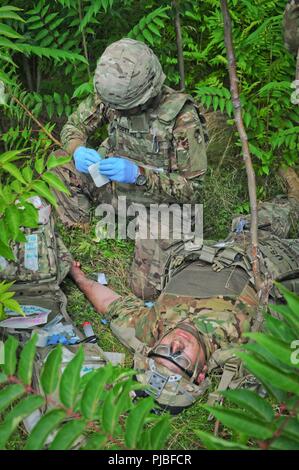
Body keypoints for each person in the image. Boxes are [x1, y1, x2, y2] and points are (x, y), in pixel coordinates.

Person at [69, 171, 299, 414]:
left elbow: (111, 305)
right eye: (181, 359)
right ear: (200, 376)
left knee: (152, 234)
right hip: (268, 256)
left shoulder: (149, 329)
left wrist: (76, 276)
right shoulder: (241, 351)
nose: (176, 344)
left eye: (165, 351)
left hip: (203, 251)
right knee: (269, 219)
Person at [53, 38, 208, 300]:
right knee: (59, 164)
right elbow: (73, 127)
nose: (121, 111)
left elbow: (194, 189)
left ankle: (143, 239)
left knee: (145, 289)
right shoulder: (113, 94)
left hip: (159, 205)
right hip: (112, 188)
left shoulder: (182, 119)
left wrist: (139, 175)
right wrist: (77, 149)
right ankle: (80, 233)